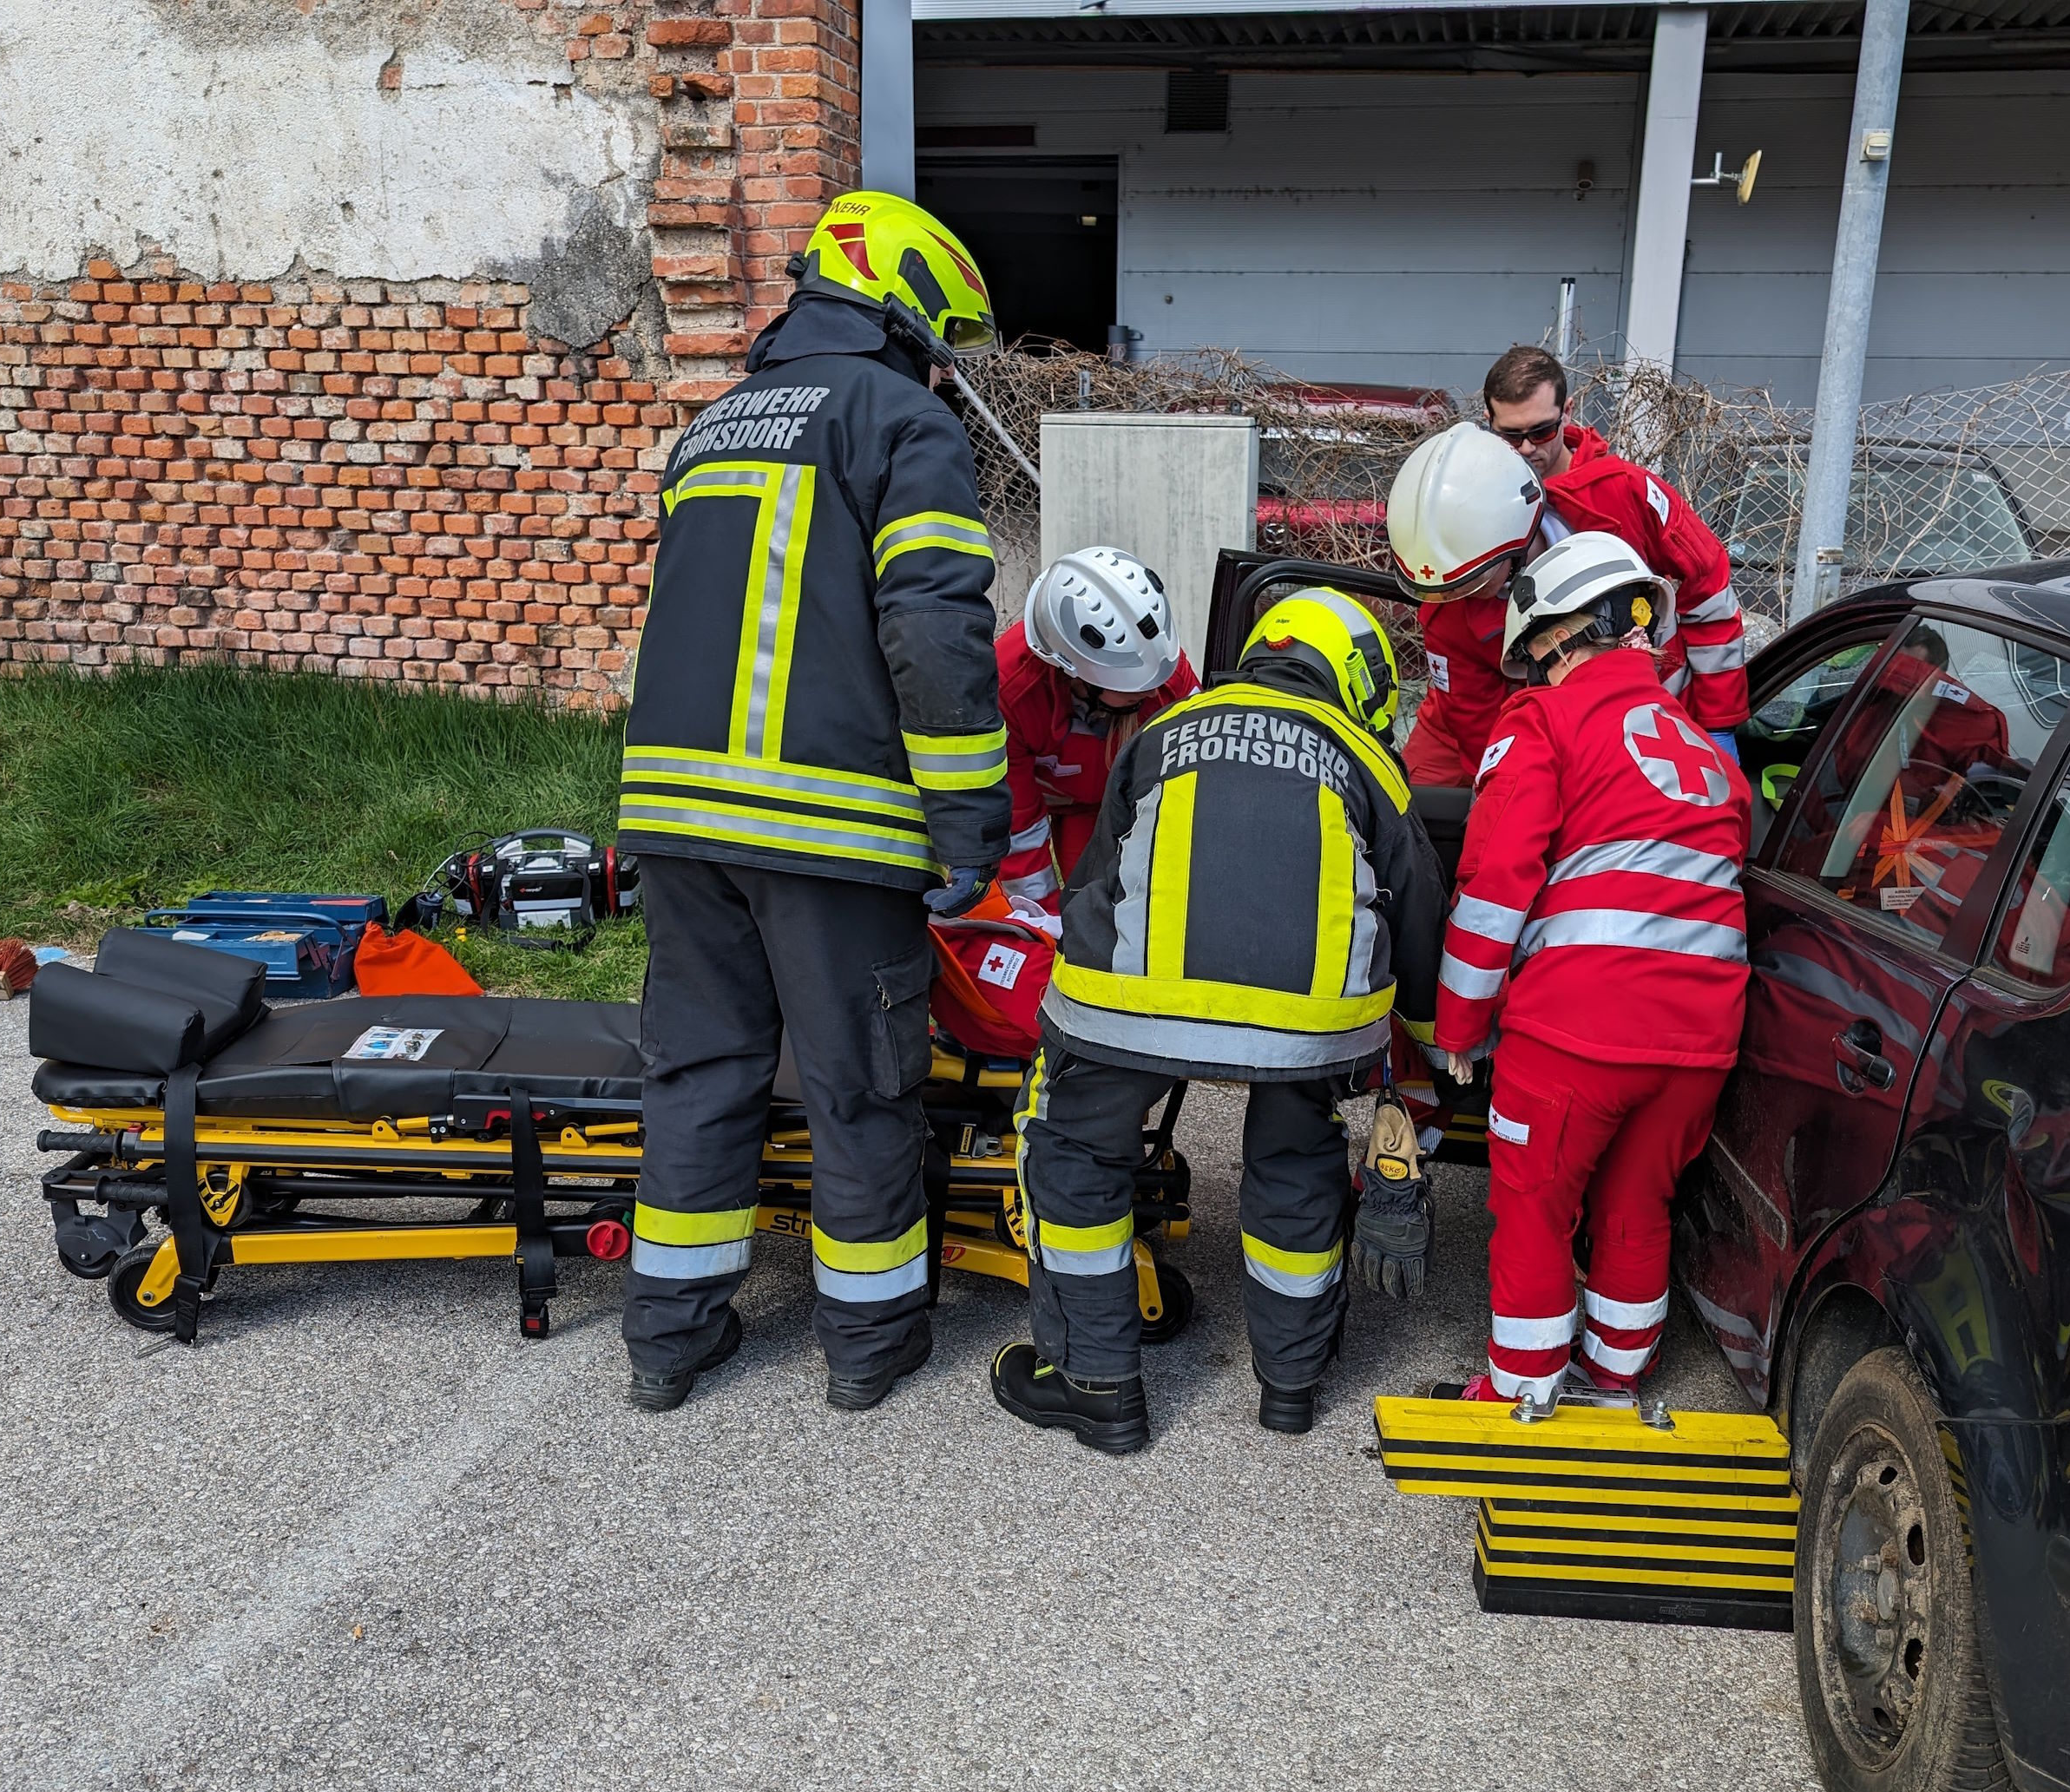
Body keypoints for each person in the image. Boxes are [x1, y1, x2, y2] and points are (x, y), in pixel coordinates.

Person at [614, 188, 1009, 1415]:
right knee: (862, 1083)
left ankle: (669, 1341)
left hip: (677, 817)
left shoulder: (713, 426)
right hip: (828, 830)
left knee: (700, 1072)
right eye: (944, 347)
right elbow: (933, 633)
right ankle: (870, 1346)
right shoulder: (901, 421)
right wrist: (969, 818)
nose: (948, 375)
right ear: (907, 313)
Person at [990, 589, 1446, 1451]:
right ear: (1352, 676)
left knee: (1073, 1145)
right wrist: (1437, 1037)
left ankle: (1096, 1386)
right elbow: (1417, 912)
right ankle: (1292, 1386)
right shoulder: (1364, 756)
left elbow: (1097, 878)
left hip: (1131, 1001)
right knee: (1296, 1151)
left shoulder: (1167, 730)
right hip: (1308, 1023)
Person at [1434, 533, 1749, 1413]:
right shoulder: (1703, 752)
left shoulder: (1544, 723)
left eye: (1537, 656)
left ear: (1571, 636)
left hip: (1579, 1030)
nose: (1534, 675)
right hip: (1703, 1041)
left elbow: (1495, 887)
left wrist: (1459, 1025)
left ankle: (1522, 1388)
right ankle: (1615, 1379)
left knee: (1534, 1206)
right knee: (1636, 1206)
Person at [1482, 345, 1749, 747]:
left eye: (1541, 432)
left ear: (1568, 411)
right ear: (1489, 422)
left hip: (1650, 713)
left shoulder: (1625, 490)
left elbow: (1708, 588)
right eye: (1510, 435)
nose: (1526, 449)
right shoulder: (1479, 501)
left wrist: (1717, 722)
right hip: (1542, 721)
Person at [995, 547, 1197, 903]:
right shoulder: (1011, 688)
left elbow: (1197, 775)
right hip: (1039, 797)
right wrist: (1041, 920)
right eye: (1132, 686)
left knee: (1098, 898)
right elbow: (1018, 824)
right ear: (1074, 673)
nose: (1151, 691)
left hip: (1106, 803)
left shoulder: (1160, 664)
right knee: (1049, 910)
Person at [1386, 422, 1571, 789]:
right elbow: (1474, 722)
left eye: (1475, 582)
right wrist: (1493, 790)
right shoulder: (1447, 615)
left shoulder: (1608, 511)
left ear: (1517, 536)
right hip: (1457, 727)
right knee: (1409, 807)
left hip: (1588, 713)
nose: (1459, 597)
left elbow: (1701, 588)